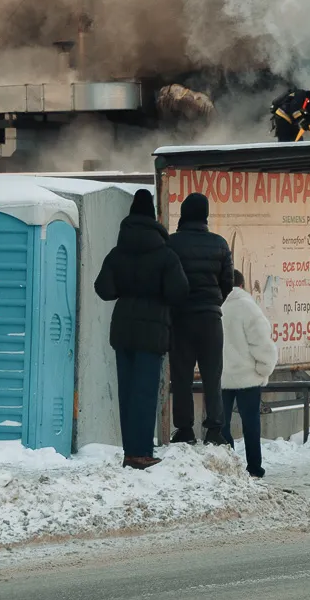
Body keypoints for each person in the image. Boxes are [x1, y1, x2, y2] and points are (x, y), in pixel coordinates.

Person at [94, 190, 190, 470]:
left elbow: (103, 289)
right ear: (153, 217)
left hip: (122, 329)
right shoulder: (165, 254)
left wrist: (127, 287)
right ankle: (141, 452)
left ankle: (129, 452)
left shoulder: (117, 252)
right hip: (153, 330)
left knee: (126, 391)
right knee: (146, 392)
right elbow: (179, 291)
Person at [167, 192, 235, 445]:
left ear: (184, 214)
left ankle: (185, 429)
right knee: (212, 374)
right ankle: (215, 428)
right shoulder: (219, 243)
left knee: (182, 375)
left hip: (181, 318)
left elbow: (168, 279)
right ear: (205, 215)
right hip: (210, 318)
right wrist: (213, 302)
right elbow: (227, 282)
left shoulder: (171, 243)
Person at [220, 270, 278, 478]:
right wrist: (264, 369)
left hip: (221, 377)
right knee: (251, 423)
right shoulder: (248, 307)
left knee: (221, 423)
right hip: (248, 377)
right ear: (242, 286)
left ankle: (229, 466)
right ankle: (254, 468)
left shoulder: (216, 305)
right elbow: (261, 342)